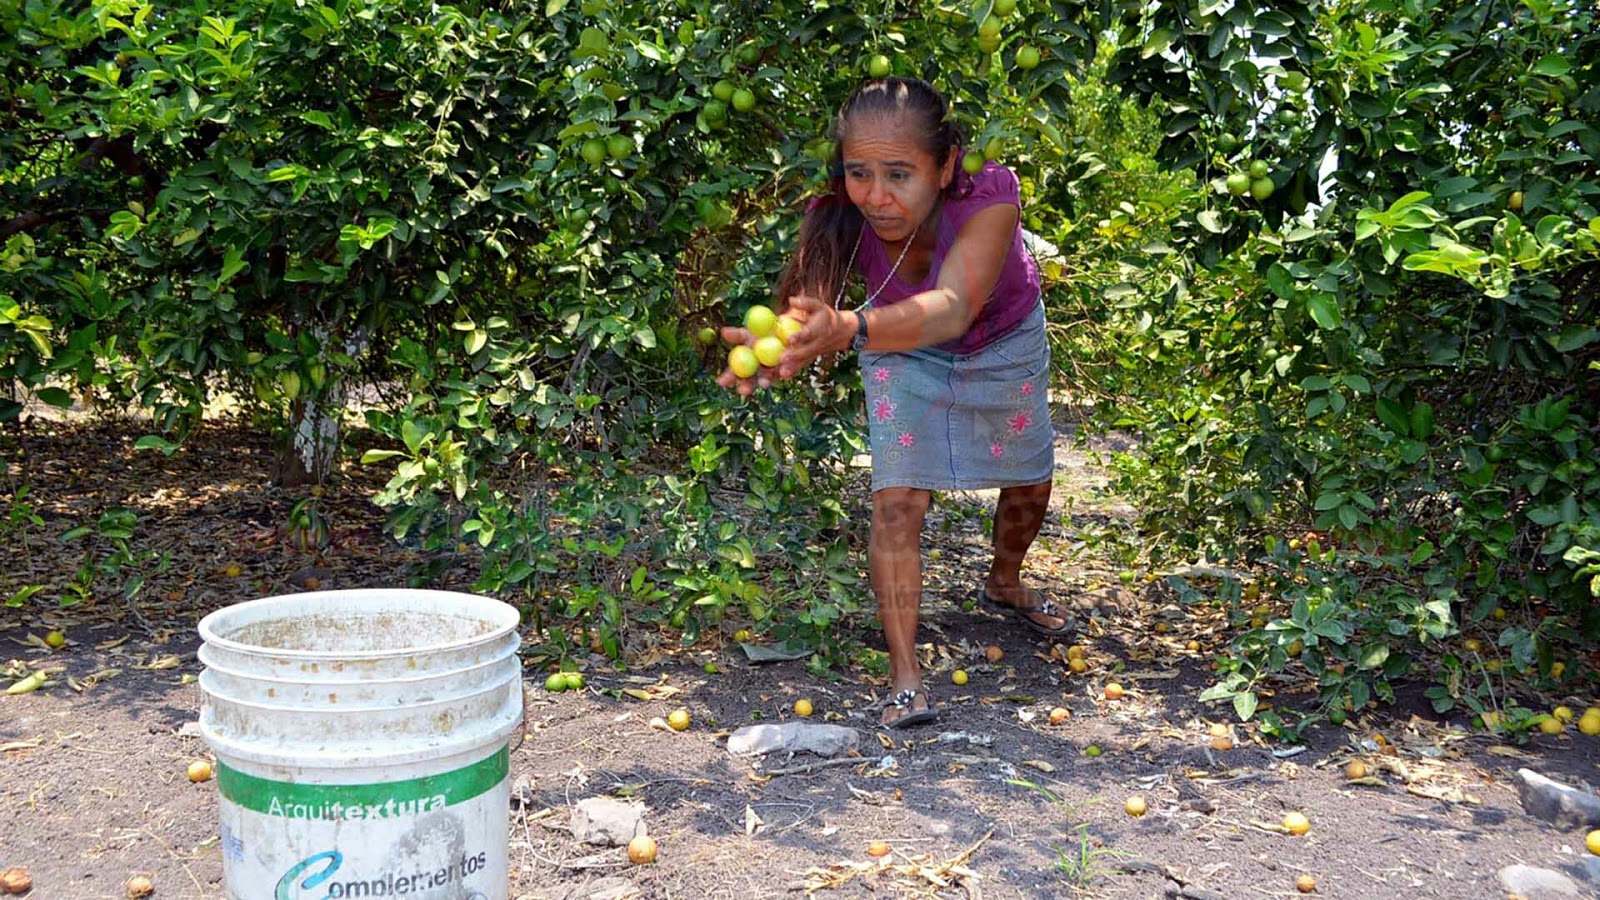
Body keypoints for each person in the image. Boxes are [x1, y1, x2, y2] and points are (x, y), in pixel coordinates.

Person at [717, 77, 1066, 728]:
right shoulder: (838, 213)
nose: (876, 196)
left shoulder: (992, 195)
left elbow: (956, 307)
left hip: (1002, 338)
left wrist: (849, 328)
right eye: (859, 173)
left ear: (946, 165)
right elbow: (810, 313)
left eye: (899, 174)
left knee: (1030, 480)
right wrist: (782, 351)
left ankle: (1005, 579)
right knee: (897, 500)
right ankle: (906, 676)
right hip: (898, 341)